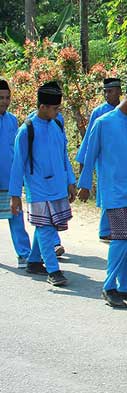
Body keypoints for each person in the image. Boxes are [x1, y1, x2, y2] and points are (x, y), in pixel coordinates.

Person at [78, 81, 127, 308]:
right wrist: (84, 184)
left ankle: (125, 285)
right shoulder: (103, 122)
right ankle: (109, 286)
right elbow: (90, 154)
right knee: (120, 238)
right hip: (114, 191)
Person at [9, 82, 76, 286]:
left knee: (47, 225)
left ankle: (34, 261)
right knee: (45, 227)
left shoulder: (57, 126)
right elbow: (17, 165)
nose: (57, 112)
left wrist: (70, 181)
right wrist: (14, 196)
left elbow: (64, 156)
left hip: (58, 186)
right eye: (54, 108)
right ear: (42, 107)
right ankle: (53, 270)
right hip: (38, 189)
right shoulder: (26, 131)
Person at [75, 77, 122, 242]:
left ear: (119, 91)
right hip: (104, 159)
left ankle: (116, 228)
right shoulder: (99, 112)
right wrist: (83, 168)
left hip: (122, 160)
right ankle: (105, 230)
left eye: (111, 91)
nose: (107, 95)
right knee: (107, 191)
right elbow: (89, 140)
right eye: (105, 92)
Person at [0, 78, 32, 268]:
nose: (4, 101)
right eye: (1, 98)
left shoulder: (12, 120)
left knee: (16, 218)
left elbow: (18, 151)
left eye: (7, 97)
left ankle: (24, 255)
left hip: (10, 180)